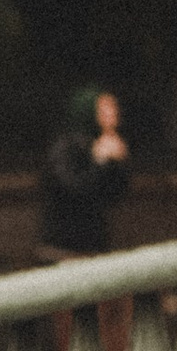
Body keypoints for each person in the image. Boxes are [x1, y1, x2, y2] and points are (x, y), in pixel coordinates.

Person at [36, 86, 130, 257]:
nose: (113, 113)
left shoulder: (104, 143)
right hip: (64, 247)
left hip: (93, 245)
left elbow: (114, 194)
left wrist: (116, 163)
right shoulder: (66, 147)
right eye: (105, 108)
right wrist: (101, 161)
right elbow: (72, 189)